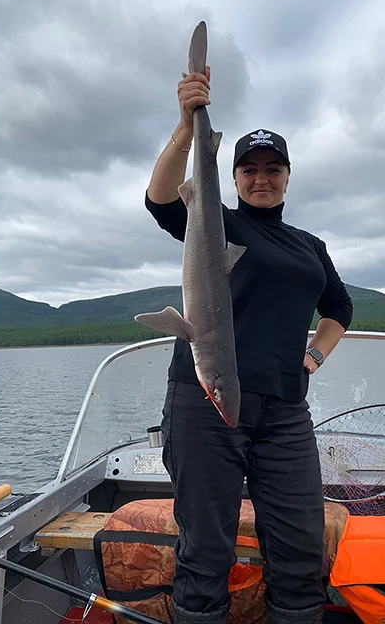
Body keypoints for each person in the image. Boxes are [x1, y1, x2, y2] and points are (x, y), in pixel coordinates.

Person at [143, 65, 353, 624]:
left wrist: (312, 356)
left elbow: (340, 309)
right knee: (206, 548)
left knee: (300, 546)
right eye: (249, 169)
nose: (262, 177)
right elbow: (160, 200)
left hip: (285, 411)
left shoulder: (311, 245)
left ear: (287, 176)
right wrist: (186, 130)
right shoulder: (214, 221)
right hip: (206, 401)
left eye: (273, 168)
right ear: (234, 178)